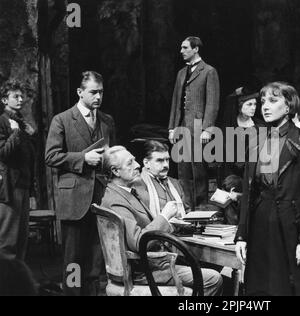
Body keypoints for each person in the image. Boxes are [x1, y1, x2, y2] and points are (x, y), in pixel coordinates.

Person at [235, 82, 300, 296]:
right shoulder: (255, 142)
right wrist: (241, 235)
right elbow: (248, 193)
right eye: (263, 102)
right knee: (262, 291)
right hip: (261, 226)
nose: (265, 107)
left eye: (273, 100)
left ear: (288, 107)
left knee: (292, 289)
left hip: (292, 226)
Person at [100, 146, 223, 296]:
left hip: (150, 264)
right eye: (130, 163)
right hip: (145, 271)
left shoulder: (124, 193)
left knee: (208, 268)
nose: (137, 165)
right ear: (115, 171)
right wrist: (165, 216)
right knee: (213, 278)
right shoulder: (116, 201)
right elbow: (139, 242)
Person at [45, 71, 116, 296]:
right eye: (93, 92)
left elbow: (113, 155)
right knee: (73, 260)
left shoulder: (107, 121)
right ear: (80, 92)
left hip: (101, 199)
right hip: (74, 200)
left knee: (96, 260)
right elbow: (51, 156)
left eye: (101, 92)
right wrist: (82, 159)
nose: (98, 97)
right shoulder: (62, 120)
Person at [168, 36, 220, 210]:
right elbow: (176, 103)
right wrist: (172, 128)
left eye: (185, 48)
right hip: (182, 127)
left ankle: (202, 209)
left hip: (198, 128)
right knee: (183, 170)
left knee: (198, 170)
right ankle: (188, 208)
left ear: (196, 49)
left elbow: (212, 103)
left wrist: (207, 129)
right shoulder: (181, 73)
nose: (181, 51)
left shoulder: (209, 71)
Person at [0, 80, 35, 260]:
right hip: (9, 189)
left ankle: (18, 283)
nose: (21, 99)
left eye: (22, 96)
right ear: (5, 100)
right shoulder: (3, 122)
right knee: (8, 242)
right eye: (16, 96)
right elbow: (3, 154)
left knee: (21, 240)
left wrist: (30, 136)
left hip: (23, 186)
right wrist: (14, 134)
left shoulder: (20, 123)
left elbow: (28, 159)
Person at [133, 140, 187, 221]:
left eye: (167, 160)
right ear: (146, 163)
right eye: (160, 160)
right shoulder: (137, 186)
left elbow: (186, 211)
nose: (165, 165)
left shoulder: (175, 183)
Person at [221, 87, 265, 179]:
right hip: (232, 170)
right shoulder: (231, 126)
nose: (253, 108)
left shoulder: (260, 126)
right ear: (240, 106)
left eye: (255, 104)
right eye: (249, 104)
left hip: (253, 171)